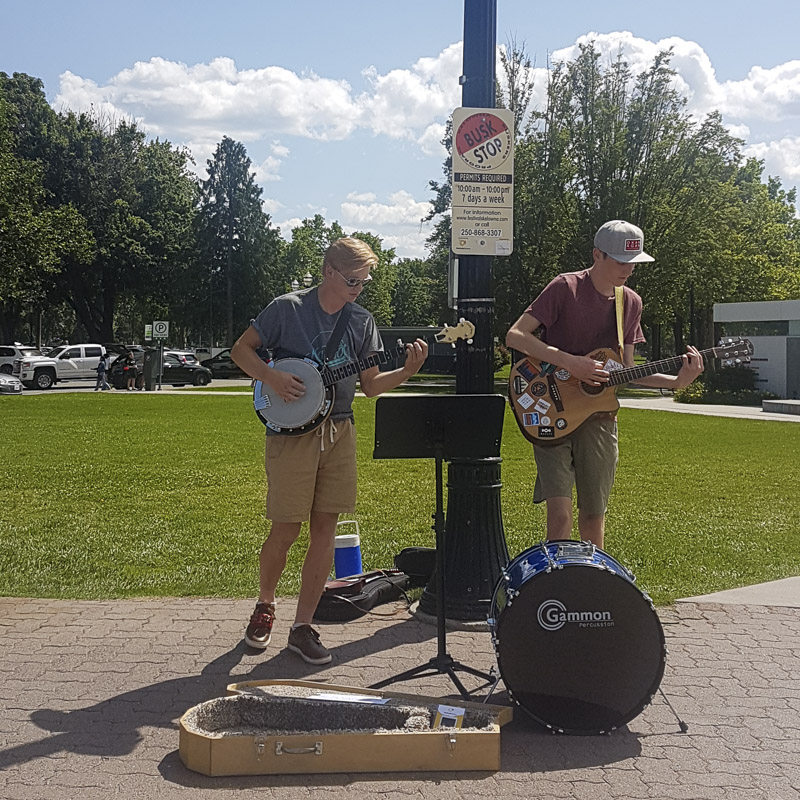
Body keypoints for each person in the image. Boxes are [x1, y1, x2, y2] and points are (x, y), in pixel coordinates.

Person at [230, 237, 428, 665]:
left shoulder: (361, 321)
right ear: (329, 273)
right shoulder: (287, 309)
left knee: (326, 529)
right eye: (353, 280)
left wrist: (408, 371)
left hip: (340, 429)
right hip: (292, 434)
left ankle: (302, 627)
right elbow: (240, 350)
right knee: (285, 529)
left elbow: (372, 386)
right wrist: (272, 377)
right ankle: (265, 606)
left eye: (365, 281)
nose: (359, 288)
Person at [505, 220, 704, 550]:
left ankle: (588, 585)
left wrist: (675, 382)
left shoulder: (630, 303)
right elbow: (516, 335)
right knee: (561, 515)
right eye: (621, 262)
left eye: (634, 263)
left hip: (598, 418)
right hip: (551, 408)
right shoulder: (564, 287)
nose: (628, 271)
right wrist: (571, 362)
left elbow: (626, 370)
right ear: (597, 255)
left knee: (593, 516)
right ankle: (557, 586)